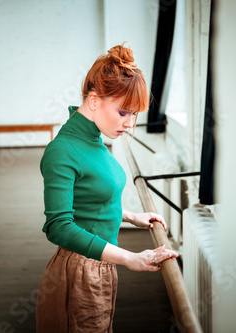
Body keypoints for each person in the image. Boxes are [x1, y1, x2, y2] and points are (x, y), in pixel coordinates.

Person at [36, 44, 179, 332]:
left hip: (100, 263)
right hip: (81, 270)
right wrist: (130, 258)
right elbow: (59, 226)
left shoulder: (93, 138)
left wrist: (131, 216)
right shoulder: (63, 150)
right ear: (93, 101)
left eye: (133, 114)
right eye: (123, 112)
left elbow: (90, 198)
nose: (128, 123)